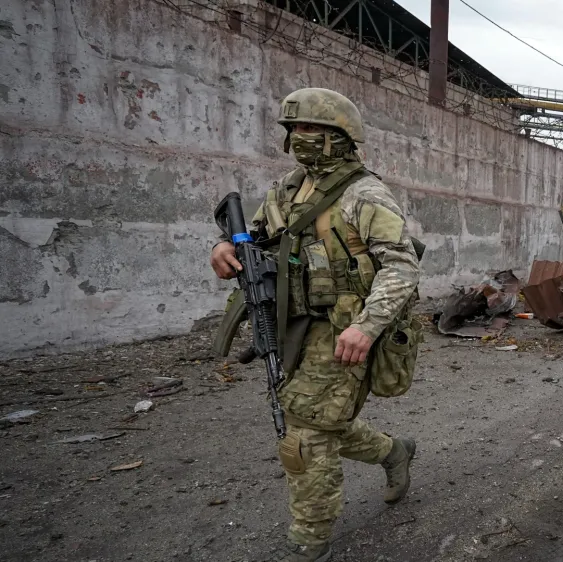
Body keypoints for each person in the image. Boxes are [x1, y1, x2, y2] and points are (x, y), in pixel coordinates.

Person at [210, 88, 421, 561]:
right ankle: (394, 451)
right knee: (322, 419)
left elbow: (403, 268)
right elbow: (255, 236)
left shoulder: (366, 195)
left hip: (345, 329)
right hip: (294, 325)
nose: (300, 138)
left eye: (311, 129)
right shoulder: (288, 188)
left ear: (340, 138)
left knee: (304, 432)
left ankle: (310, 541)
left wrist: (366, 327)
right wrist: (223, 247)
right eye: (295, 129)